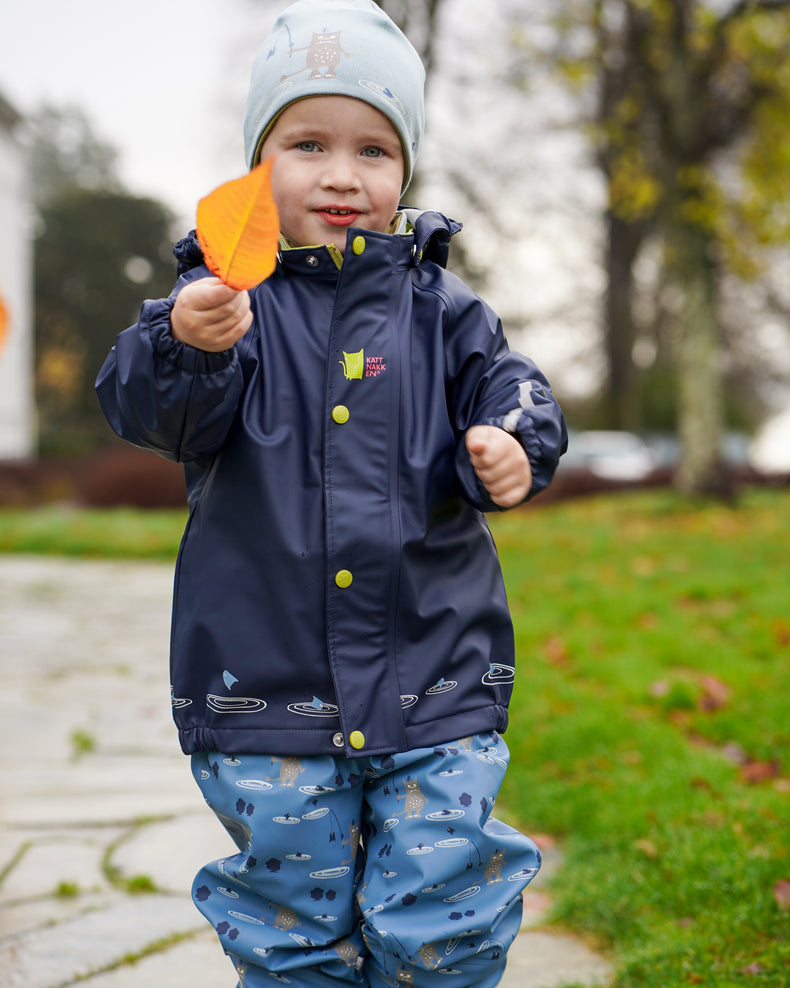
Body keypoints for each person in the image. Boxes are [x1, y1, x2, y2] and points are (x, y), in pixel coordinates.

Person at [96, 2, 567, 985]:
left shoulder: (443, 309)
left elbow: (515, 384)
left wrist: (511, 438)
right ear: (257, 163)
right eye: (307, 143)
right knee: (288, 924)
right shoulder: (226, 304)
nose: (343, 174)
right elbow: (148, 407)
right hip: (266, 695)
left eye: (374, 148)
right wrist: (187, 342)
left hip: (436, 680)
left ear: (406, 168)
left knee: (445, 902)